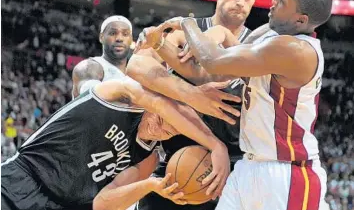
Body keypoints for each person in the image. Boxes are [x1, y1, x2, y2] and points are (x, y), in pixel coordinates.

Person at [156, 0, 333, 210]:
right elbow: (226, 62)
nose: (273, 1)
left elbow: (213, 61)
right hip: (249, 165)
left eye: (283, 1)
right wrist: (160, 45)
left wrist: (187, 23)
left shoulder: (297, 51)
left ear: (301, 20)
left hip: (287, 175)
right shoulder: (270, 34)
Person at [127, 0, 261, 209]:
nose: (241, 1)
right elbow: (136, 65)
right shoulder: (183, 30)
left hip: (232, 172)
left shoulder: (258, 46)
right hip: (176, 161)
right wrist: (192, 95)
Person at [1, 77, 238, 210]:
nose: (161, 127)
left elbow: (103, 203)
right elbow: (157, 101)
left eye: (170, 130)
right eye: (161, 118)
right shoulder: (117, 95)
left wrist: (151, 185)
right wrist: (217, 146)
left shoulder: (147, 158)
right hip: (22, 179)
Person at [72, 15, 132, 99]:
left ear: (131, 39)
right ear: (101, 37)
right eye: (113, 33)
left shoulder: (135, 75)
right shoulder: (89, 66)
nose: (119, 38)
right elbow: (92, 96)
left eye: (125, 34)